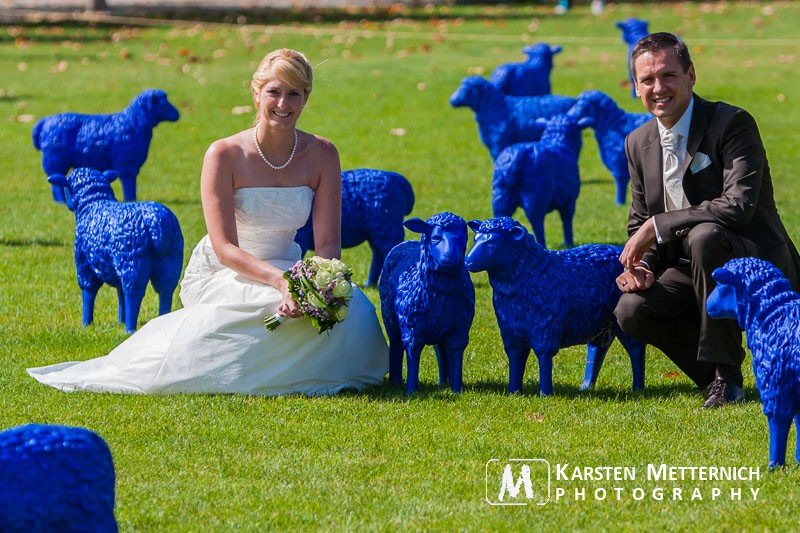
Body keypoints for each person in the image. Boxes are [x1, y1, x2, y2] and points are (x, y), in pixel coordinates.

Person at [28, 48, 390, 396]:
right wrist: (281, 283)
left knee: (355, 313)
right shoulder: (224, 154)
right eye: (274, 92)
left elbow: (327, 244)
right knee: (252, 316)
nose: (283, 104)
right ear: (255, 93)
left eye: (294, 94)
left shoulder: (323, 154)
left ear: (306, 98)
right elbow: (225, 247)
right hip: (232, 266)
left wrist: (310, 287)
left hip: (291, 263)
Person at [614, 33, 800, 409]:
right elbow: (639, 222)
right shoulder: (637, 141)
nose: (658, 87)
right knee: (630, 310)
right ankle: (714, 375)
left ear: (691, 76)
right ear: (636, 87)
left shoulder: (732, 123)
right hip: (686, 265)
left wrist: (659, 225)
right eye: (647, 80)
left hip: (754, 259)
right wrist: (644, 265)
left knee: (704, 237)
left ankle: (727, 378)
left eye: (669, 75)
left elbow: (738, 206)